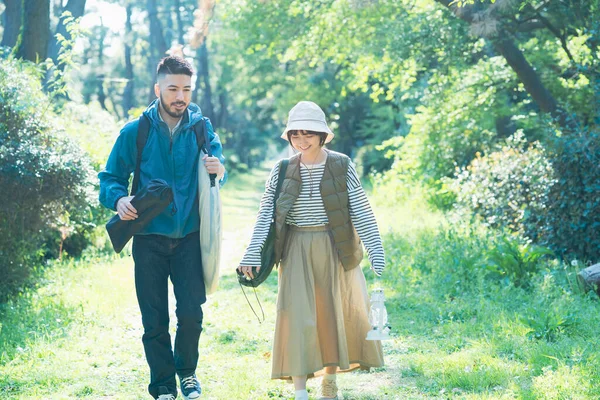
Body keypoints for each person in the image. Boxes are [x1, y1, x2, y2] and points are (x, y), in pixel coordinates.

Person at [238, 101, 385, 400]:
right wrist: (251, 253)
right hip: (295, 249)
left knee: (332, 314)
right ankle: (300, 389)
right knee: (296, 316)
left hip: (334, 248)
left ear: (321, 135)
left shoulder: (341, 164)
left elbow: (360, 209)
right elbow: (265, 213)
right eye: (296, 135)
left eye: (308, 134)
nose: (301, 141)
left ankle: (329, 383)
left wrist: (375, 249)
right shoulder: (281, 169)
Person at [99, 56, 226, 400]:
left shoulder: (202, 128)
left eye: (186, 89)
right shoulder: (135, 131)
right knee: (154, 320)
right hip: (148, 239)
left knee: (190, 314)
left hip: (189, 239)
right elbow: (110, 178)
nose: (179, 96)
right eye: (172, 88)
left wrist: (218, 167)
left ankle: (187, 373)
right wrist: (118, 200)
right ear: (158, 89)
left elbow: (217, 171)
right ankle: (162, 385)